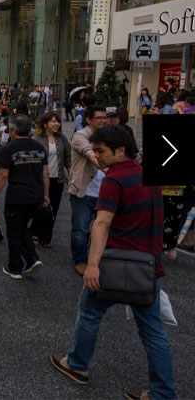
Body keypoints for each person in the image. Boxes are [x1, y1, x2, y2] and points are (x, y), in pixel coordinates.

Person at [51, 127, 175, 400]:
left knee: (90, 313)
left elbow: (102, 223)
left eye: (101, 151)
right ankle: (163, 394)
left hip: (116, 265)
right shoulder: (147, 175)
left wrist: (92, 264)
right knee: (153, 331)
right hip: (149, 266)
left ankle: (77, 364)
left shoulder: (114, 180)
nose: (97, 156)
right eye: (95, 151)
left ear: (120, 150)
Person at [0, 114, 49, 279]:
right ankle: (31, 258)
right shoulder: (39, 147)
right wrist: (45, 194)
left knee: (14, 230)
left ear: (12, 131)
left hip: (17, 195)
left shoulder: (9, 148)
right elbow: (45, 173)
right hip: (36, 194)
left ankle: (15, 266)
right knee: (21, 225)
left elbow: (3, 174)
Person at [69, 106, 107, 275]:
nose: (103, 120)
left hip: (104, 191)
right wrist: (108, 169)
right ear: (89, 120)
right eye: (99, 117)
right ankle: (80, 260)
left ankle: (96, 259)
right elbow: (89, 153)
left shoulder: (109, 136)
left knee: (102, 228)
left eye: (104, 117)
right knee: (81, 228)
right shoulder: (80, 136)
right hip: (83, 189)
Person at [33, 112, 71, 248]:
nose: (56, 124)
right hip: (40, 178)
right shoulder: (37, 139)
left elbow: (68, 159)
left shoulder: (62, 138)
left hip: (58, 178)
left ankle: (47, 237)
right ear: (45, 124)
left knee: (53, 208)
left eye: (57, 121)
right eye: (53, 121)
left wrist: (71, 175)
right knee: (39, 206)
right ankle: (35, 233)